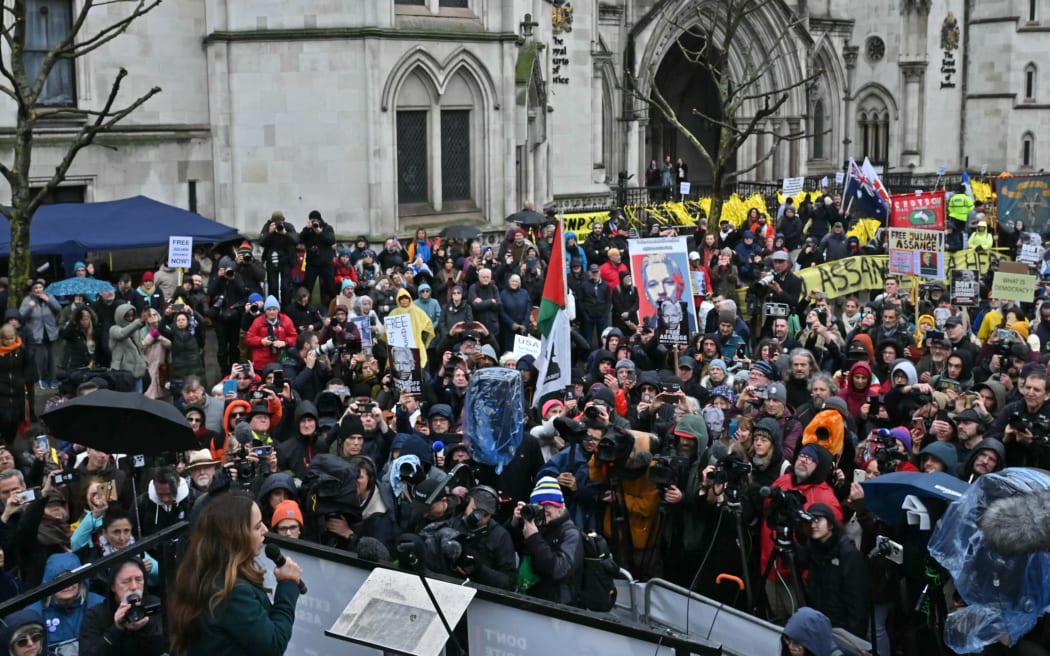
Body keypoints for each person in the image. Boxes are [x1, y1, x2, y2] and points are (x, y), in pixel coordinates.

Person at [169, 493, 302, 656]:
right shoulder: (231, 591)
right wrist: (287, 584)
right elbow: (273, 644)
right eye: (257, 526)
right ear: (235, 536)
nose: (265, 531)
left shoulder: (203, 572)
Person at [79, 556, 166, 655]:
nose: (133, 587)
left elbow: (169, 647)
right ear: (113, 586)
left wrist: (148, 626)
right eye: (126, 581)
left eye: (139, 579)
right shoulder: (95, 615)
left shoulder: (156, 605)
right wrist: (116, 629)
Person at [19, 279, 61, 390]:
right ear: (32, 291)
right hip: (36, 334)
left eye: (40, 287)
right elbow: (21, 317)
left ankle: (53, 379)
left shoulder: (49, 296)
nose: (38, 290)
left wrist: (48, 300)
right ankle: (43, 379)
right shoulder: (27, 300)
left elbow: (58, 309)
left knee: (52, 358)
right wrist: (30, 306)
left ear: (44, 288)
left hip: (50, 332)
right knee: (42, 358)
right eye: (35, 288)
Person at [0, 325, 31, 448]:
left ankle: (10, 445)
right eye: (6, 339)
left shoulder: (21, 350)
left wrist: (24, 380)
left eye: (11, 338)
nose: (9, 341)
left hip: (18, 393)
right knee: (4, 422)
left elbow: (28, 366)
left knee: (14, 423)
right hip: (2, 394)